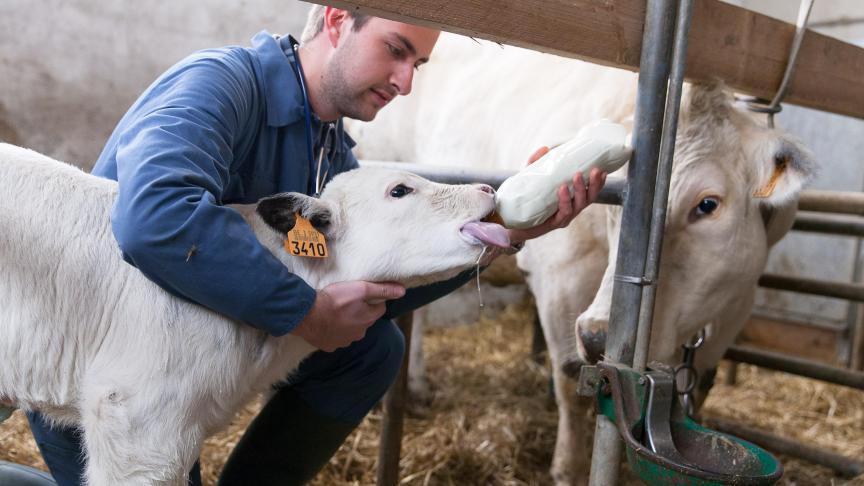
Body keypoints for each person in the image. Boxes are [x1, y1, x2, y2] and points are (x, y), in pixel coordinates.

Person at [24, 6, 606, 486]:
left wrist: (505, 233)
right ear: (335, 21)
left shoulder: (330, 154)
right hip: (106, 372)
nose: (406, 83)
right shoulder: (221, 82)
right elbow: (152, 215)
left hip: (201, 366)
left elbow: (371, 279)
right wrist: (305, 310)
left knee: (372, 350)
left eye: (419, 65)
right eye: (396, 50)